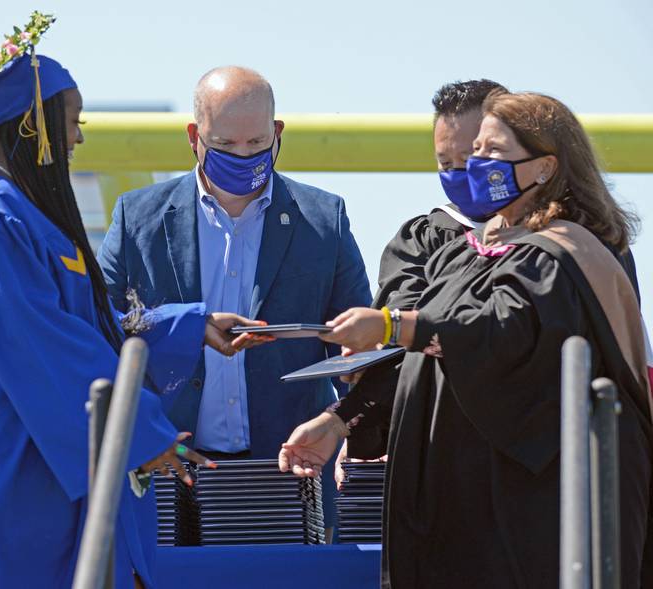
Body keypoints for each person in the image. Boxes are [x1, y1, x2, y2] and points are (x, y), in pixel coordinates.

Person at [0, 15, 264, 589]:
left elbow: (84, 326)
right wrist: (138, 432)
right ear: (35, 128)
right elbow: (43, 346)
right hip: (7, 462)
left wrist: (188, 326)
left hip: (46, 458)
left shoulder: (26, 214)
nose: (77, 137)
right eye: (72, 122)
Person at [279, 91, 653, 588]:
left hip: (529, 503)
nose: (473, 166)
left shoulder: (568, 255)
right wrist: (338, 421)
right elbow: (417, 362)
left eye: (490, 153)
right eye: (464, 154)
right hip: (451, 494)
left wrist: (395, 326)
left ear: (544, 167)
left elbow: (501, 330)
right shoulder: (462, 251)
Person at [98, 65, 372, 533]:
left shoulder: (324, 219)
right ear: (194, 136)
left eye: (256, 144)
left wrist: (349, 428)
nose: (243, 157)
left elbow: (356, 350)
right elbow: (100, 323)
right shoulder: (136, 217)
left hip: (287, 471)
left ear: (277, 133)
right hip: (168, 465)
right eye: (225, 146)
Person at [337, 79, 507, 473]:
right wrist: (347, 419)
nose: (458, 174)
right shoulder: (424, 240)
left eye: (472, 159)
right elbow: (396, 345)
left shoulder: (568, 242)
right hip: (442, 452)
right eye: (445, 164)